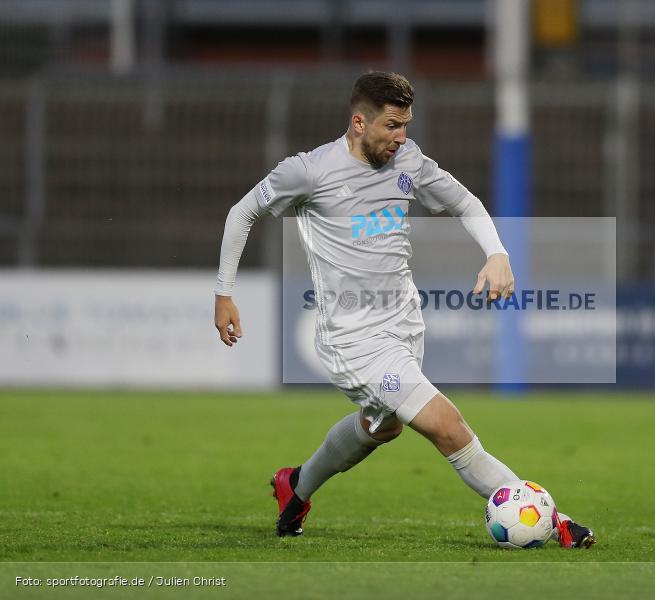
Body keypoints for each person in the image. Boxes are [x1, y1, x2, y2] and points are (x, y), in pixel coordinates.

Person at [214, 71, 595, 548]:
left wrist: (498, 253)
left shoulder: (407, 161)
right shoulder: (308, 171)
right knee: (446, 426)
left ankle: (297, 485)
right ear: (359, 122)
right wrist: (225, 294)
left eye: (406, 125)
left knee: (382, 426)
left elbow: (464, 201)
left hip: (405, 326)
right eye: (392, 126)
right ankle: (554, 520)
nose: (401, 137)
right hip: (353, 339)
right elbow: (242, 212)